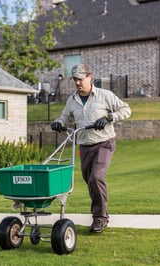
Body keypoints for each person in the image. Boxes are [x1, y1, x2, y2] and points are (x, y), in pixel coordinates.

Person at [50, 63, 131, 233]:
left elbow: (126, 109)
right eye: (75, 80)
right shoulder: (72, 100)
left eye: (80, 79)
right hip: (84, 146)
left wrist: (109, 117)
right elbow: (65, 117)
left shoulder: (104, 95)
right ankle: (102, 214)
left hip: (104, 143)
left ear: (89, 77)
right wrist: (59, 123)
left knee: (96, 177)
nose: (78, 83)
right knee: (90, 181)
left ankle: (100, 218)